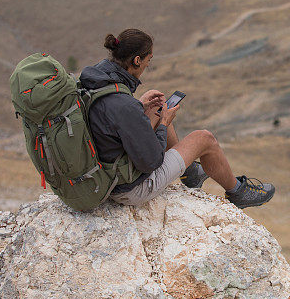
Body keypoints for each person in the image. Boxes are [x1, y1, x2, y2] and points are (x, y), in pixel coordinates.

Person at [78, 28, 275, 209]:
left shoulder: (96, 84)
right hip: (129, 189)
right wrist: (163, 123)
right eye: (149, 59)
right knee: (204, 138)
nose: (148, 64)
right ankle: (238, 192)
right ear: (137, 60)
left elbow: (111, 121)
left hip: (104, 174)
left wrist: (140, 107)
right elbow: (152, 162)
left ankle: (190, 172)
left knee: (157, 106)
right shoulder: (122, 105)